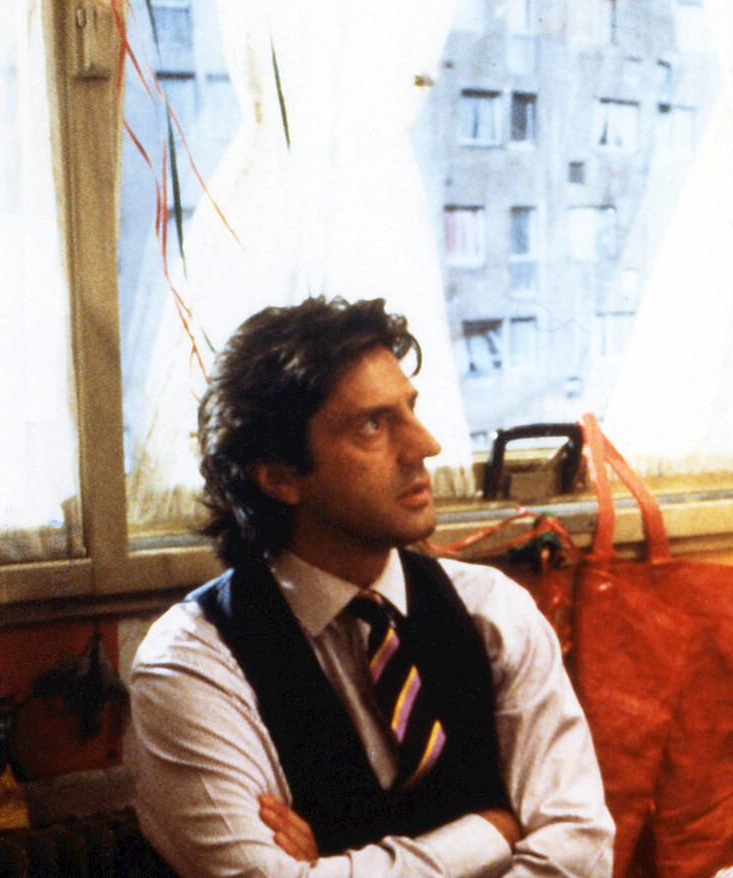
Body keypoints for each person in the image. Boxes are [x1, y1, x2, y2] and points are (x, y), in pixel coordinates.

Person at [128, 296, 614, 878]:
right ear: (281, 476)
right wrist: (491, 832)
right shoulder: (191, 665)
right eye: (373, 425)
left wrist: (337, 866)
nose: (426, 445)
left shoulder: (493, 612)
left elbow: (579, 848)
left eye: (411, 409)